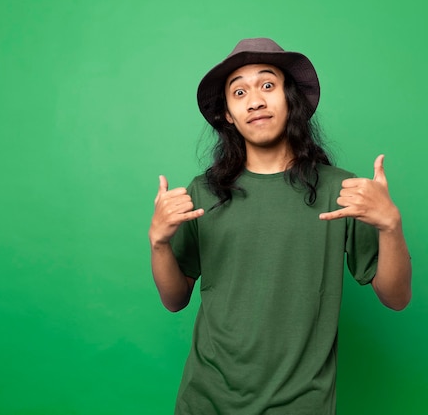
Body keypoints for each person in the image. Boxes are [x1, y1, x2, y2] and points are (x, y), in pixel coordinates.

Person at [149, 38, 412, 415]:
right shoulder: (203, 192)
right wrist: (158, 244)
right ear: (228, 114)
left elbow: (396, 298)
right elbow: (175, 301)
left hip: (302, 403)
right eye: (239, 91)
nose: (255, 101)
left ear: (291, 98)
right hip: (206, 400)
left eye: (267, 85)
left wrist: (391, 226)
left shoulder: (342, 190)